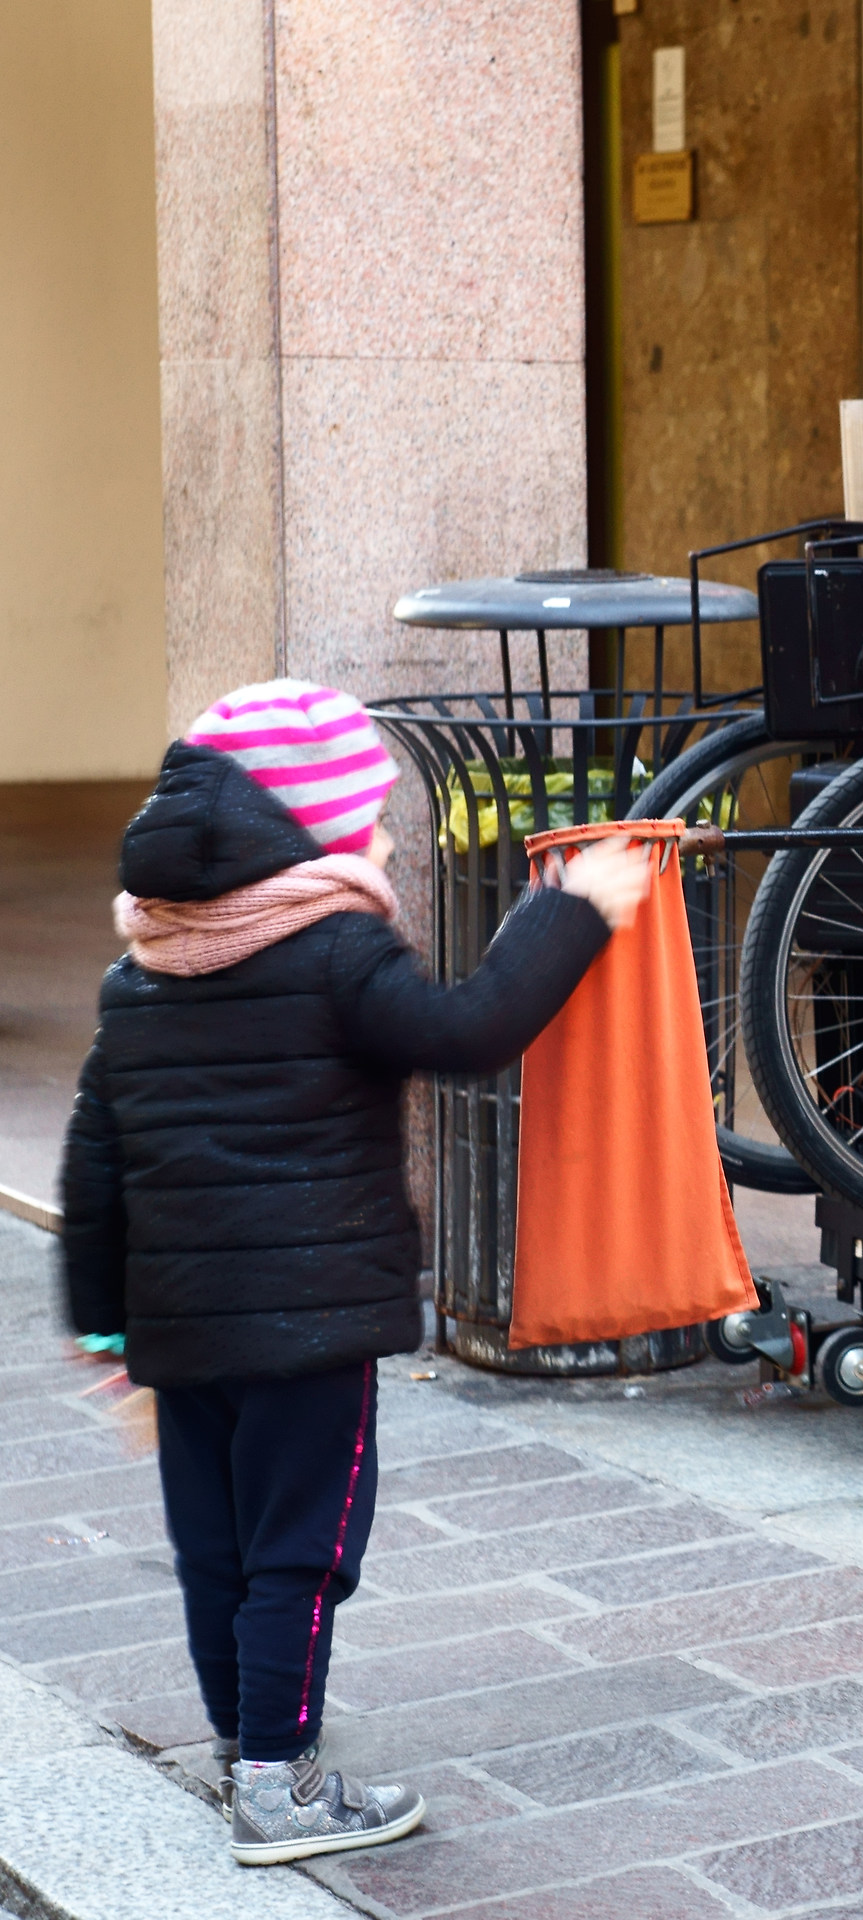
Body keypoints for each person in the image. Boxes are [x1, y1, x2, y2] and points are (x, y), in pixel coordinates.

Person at [57, 682, 651, 1863]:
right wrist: (570, 910)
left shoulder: (138, 978)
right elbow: (469, 1031)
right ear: (310, 832)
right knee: (301, 1552)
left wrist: (108, 1337)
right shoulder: (336, 953)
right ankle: (279, 1786)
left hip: (184, 1330)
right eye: (371, 820)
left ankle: (244, 1747)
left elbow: (95, 1164)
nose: (385, 842)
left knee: (216, 1550)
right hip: (309, 1333)